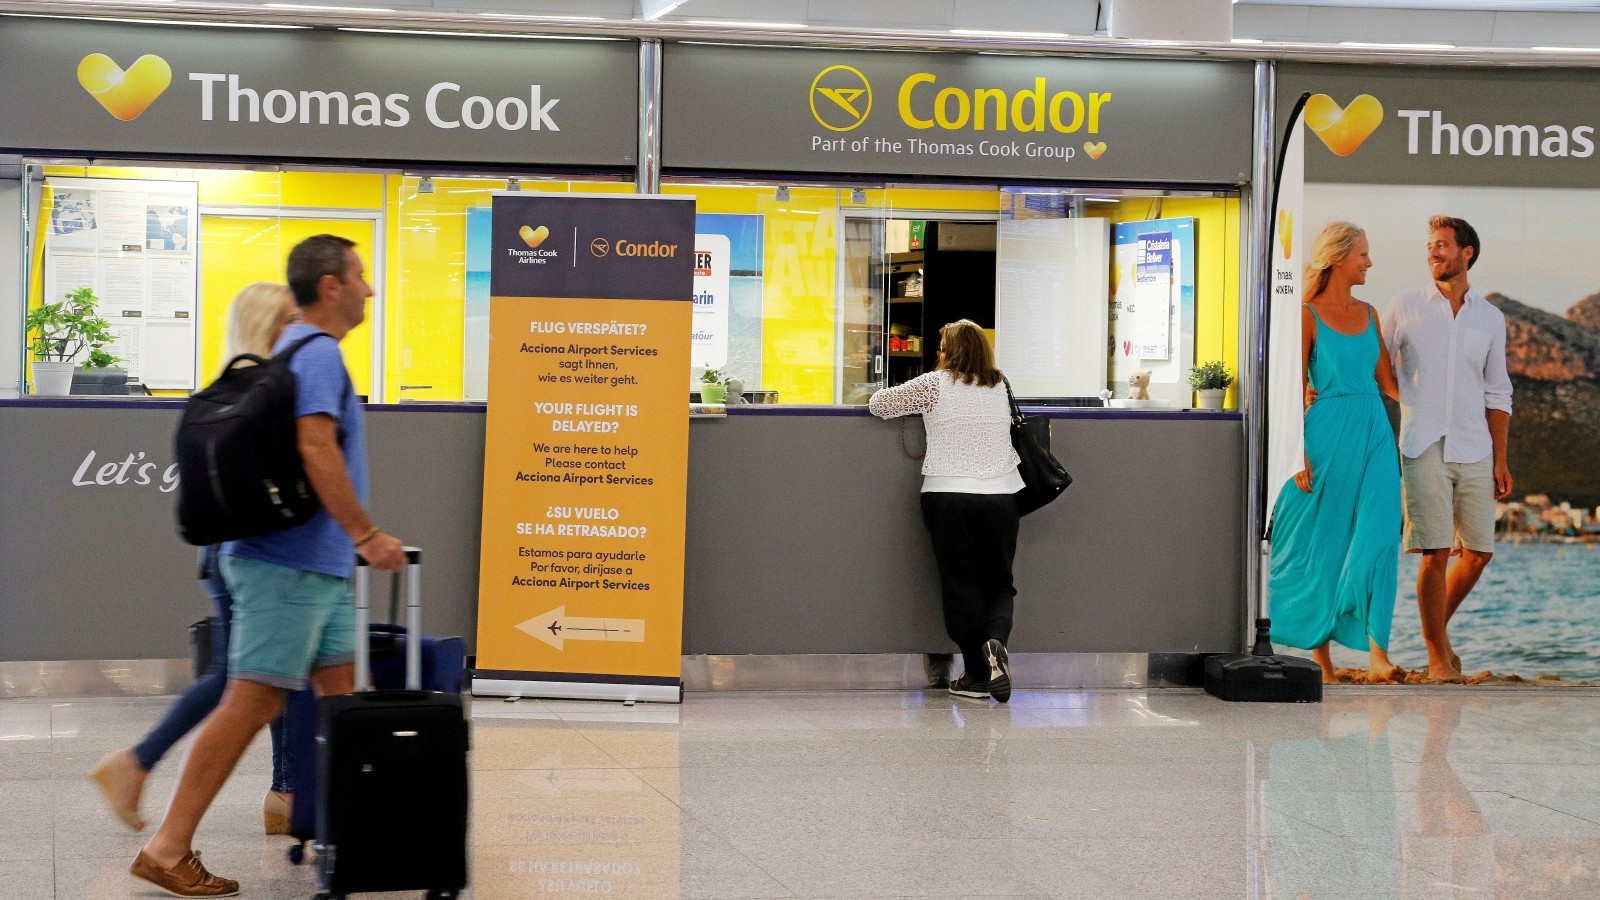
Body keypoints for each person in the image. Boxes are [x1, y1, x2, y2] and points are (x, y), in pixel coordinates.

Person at [130, 236, 407, 898]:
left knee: (344, 697)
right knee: (250, 702)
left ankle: (362, 836)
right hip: (289, 567)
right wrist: (366, 534)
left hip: (315, 566)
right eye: (360, 276)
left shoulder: (295, 351)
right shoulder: (318, 353)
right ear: (331, 286)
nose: (369, 289)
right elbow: (316, 448)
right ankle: (167, 848)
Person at [90, 284, 300, 835]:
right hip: (261, 554)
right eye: (289, 319)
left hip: (220, 552)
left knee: (265, 673)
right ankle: (140, 763)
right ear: (270, 326)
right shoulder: (275, 391)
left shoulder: (218, 392)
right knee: (255, 674)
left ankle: (284, 791)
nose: (297, 329)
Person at [1269, 222, 1406, 684]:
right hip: (1324, 436)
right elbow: (1290, 388)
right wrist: (1297, 453)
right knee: (1322, 543)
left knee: (1381, 537)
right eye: (1363, 254)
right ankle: (1322, 661)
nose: (1370, 262)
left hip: (1374, 433)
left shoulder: (1370, 314)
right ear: (1339, 257)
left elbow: (1389, 384)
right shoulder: (1306, 314)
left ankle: (1378, 655)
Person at [1383, 216, 1513, 682]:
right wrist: (1410, 400)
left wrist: (1501, 459)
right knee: (1435, 551)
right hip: (1422, 444)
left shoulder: (1490, 317)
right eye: (1430, 246)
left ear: (1466, 253)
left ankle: (1438, 635)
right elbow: (1378, 363)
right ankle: (1438, 657)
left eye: (1442, 245)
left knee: (1478, 553)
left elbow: (1498, 391)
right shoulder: (1405, 306)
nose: (1433, 253)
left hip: (1476, 445)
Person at [868, 320, 1021, 703]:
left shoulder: (933, 384)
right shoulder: (1000, 384)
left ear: (949, 351)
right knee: (1000, 581)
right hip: (1001, 496)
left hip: (948, 495)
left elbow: (879, 405)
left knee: (961, 583)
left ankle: (976, 676)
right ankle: (996, 642)